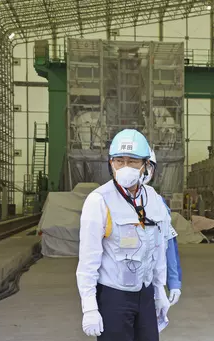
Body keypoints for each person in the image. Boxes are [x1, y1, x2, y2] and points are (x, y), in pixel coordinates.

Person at [76, 129, 171, 340]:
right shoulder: (99, 200)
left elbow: (159, 248)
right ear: (111, 163)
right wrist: (89, 307)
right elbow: (88, 260)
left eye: (133, 161)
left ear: (146, 165)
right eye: (119, 161)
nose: (125, 167)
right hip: (114, 296)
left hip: (145, 294)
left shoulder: (153, 199)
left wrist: (159, 289)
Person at [141, 150, 182, 306]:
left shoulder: (158, 203)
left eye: (148, 166)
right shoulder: (106, 201)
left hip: (150, 282)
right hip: (116, 284)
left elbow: (169, 244)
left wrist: (174, 281)